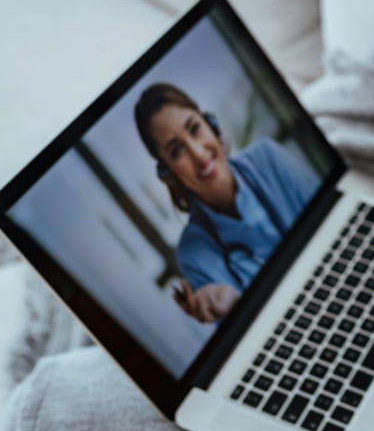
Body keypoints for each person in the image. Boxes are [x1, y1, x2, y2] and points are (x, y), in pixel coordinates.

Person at [134, 83, 320, 324]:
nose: (199, 155)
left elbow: (332, 221)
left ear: (211, 126)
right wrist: (234, 303)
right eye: (177, 151)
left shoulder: (268, 158)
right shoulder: (194, 254)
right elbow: (252, 333)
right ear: (168, 173)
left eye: (195, 129)